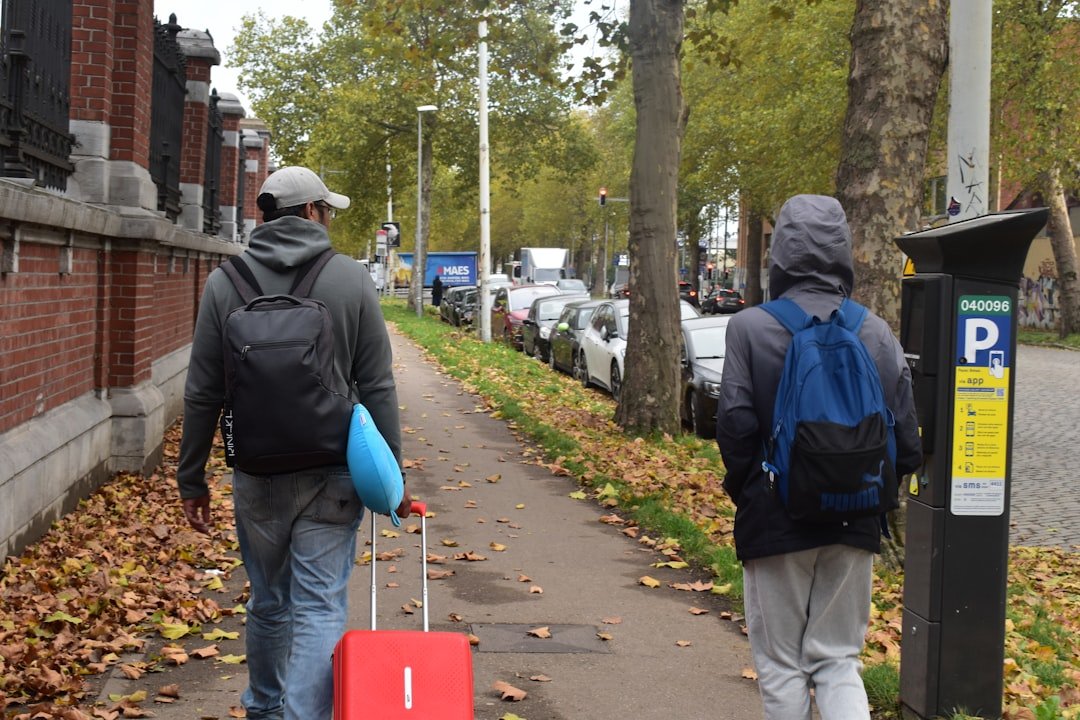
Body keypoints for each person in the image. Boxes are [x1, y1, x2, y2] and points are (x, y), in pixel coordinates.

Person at [177, 165, 410, 720]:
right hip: (335, 470)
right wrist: (394, 476)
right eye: (326, 209)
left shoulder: (224, 282)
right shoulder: (349, 278)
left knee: (269, 600)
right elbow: (377, 383)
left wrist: (191, 479)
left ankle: (262, 706)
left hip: (257, 474)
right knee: (320, 604)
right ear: (311, 212)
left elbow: (202, 391)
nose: (327, 219)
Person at [715, 194, 921, 720]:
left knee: (782, 663)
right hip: (854, 517)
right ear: (843, 251)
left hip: (775, 518)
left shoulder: (749, 327)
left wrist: (751, 491)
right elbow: (907, 438)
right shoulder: (875, 330)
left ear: (780, 251)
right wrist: (874, 495)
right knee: (838, 660)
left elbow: (735, 425)